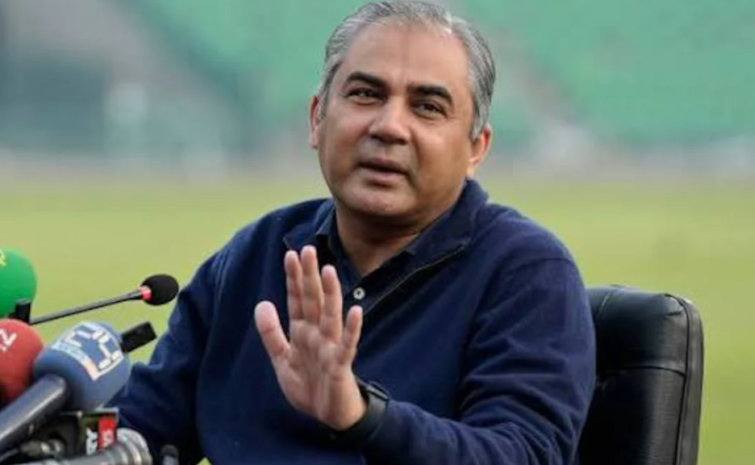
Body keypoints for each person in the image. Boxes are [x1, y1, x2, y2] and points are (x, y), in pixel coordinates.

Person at [110, 2, 596, 464]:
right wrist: (70, 407)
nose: (389, 127)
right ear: (317, 119)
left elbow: (523, 453)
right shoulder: (254, 255)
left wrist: (362, 416)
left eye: (427, 106)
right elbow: (142, 430)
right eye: (366, 94)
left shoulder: (526, 273)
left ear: (476, 148)